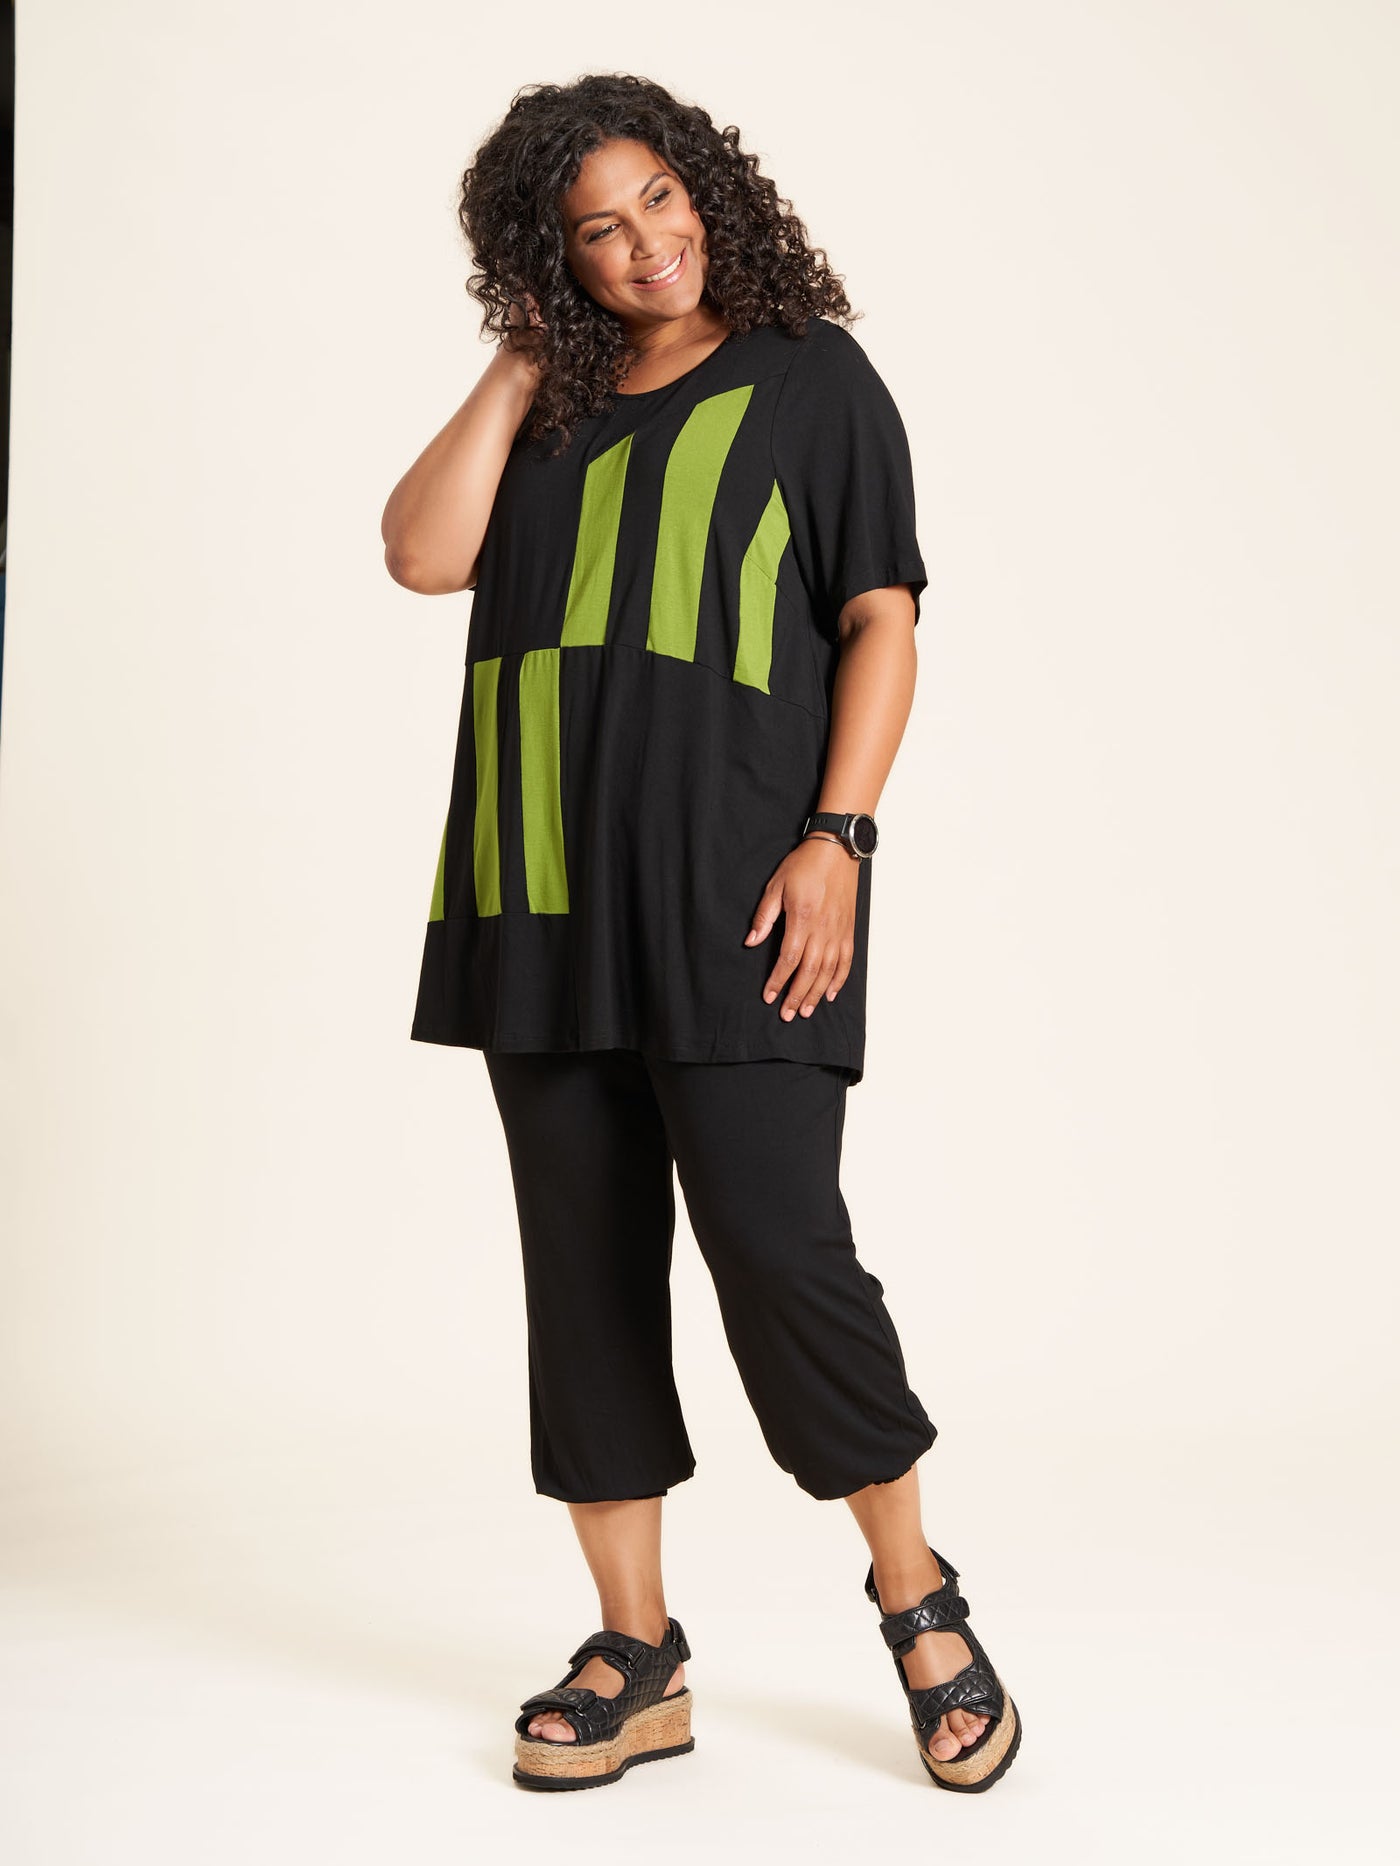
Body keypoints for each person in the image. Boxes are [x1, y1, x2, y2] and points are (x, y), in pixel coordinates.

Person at [381, 72, 1020, 1796]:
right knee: (583, 1270)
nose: (644, 244)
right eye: (594, 229)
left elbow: (879, 618)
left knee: (779, 1248)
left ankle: (920, 1598)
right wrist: (521, 358)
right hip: (539, 888)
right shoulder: (553, 403)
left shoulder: (811, 377)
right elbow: (420, 555)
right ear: (554, 258)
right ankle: (637, 1649)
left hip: (738, 888)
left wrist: (840, 837)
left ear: (708, 190)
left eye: (659, 198)